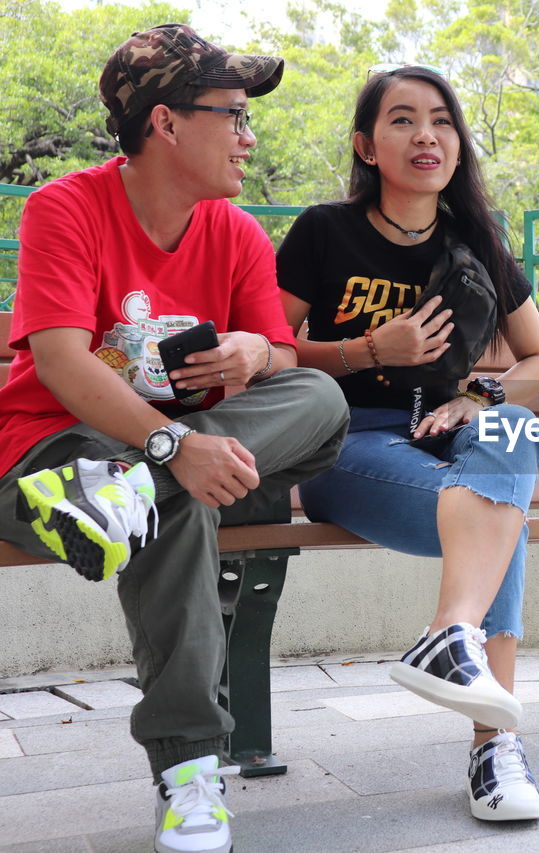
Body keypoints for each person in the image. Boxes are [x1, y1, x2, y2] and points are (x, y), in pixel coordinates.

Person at [0, 25, 350, 853]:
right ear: (165, 122)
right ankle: (191, 767)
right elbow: (57, 360)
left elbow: (288, 361)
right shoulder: (66, 207)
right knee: (181, 504)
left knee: (319, 396)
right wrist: (168, 449)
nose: (248, 135)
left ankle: (130, 492)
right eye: (232, 114)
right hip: (54, 461)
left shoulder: (233, 231)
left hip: (177, 457)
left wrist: (256, 351)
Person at [275, 64, 539, 821]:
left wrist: (475, 396)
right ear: (368, 146)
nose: (425, 135)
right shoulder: (323, 231)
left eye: (440, 120)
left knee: (512, 429)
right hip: (345, 444)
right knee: (502, 513)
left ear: (459, 147)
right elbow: (265, 350)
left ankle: (450, 634)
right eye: (402, 120)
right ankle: (493, 745)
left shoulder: (478, 244)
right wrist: (368, 350)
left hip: (446, 440)